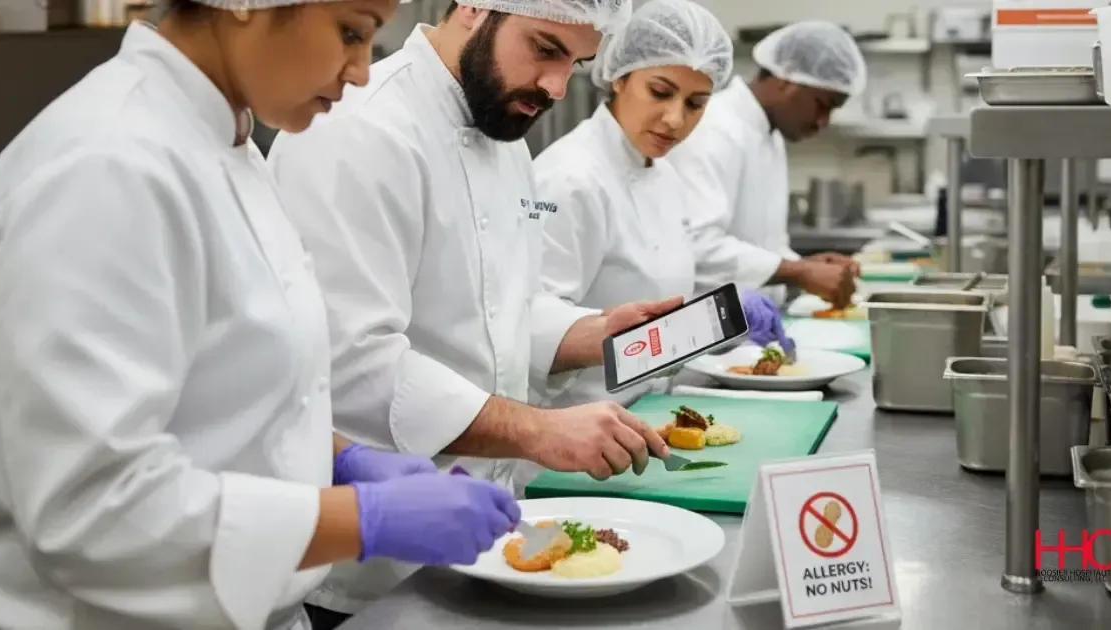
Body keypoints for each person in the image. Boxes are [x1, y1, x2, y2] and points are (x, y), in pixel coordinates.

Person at [0, 2, 523, 629]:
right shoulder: (105, 165)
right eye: (350, 32)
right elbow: (93, 510)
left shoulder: (226, 143)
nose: (361, 71)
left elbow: (222, 396)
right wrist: (363, 519)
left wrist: (337, 458)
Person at [267, 0, 676, 622]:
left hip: (487, 535)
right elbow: (351, 360)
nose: (556, 86)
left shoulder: (502, 131)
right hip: (369, 567)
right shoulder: (361, 130)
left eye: (575, 63)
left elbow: (500, 306)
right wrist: (538, 431)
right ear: (475, 8)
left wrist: (587, 333)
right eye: (545, 49)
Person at [532, 0, 795, 408]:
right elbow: (535, 331)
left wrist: (717, 320)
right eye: (660, 92)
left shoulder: (664, 175)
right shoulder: (571, 179)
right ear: (619, 78)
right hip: (579, 423)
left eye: (695, 103)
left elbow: (655, 303)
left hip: (649, 409)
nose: (675, 119)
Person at [667, 20, 868, 308]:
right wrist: (798, 272)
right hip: (709, 326)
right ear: (787, 77)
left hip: (757, 322)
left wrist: (806, 266)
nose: (823, 122)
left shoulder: (769, 135)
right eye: (822, 105)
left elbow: (762, 246)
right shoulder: (712, 128)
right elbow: (697, 247)